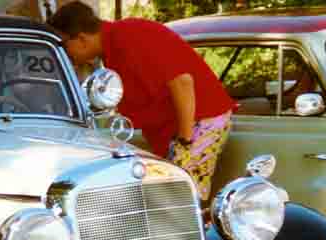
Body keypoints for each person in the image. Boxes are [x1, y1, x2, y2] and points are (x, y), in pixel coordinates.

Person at [48, 2, 235, 201]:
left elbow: (182, 82)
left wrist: (184, 140)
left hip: (199, 121)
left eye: (64, 47)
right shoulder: (112, 48)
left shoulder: (128, 37)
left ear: (81, 39)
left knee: (181, 195)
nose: (65, 55)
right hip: (175, 129)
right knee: (166, 196)